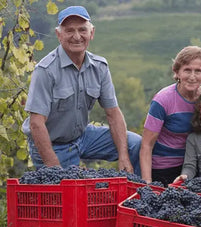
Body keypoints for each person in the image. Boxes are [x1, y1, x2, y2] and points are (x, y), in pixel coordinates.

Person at [22, 6, 141, 174]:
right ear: (59, 35)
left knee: (135, 144)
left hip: (83, 137)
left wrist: (124, 155)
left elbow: (113, 113)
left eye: (82, 30)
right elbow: (36, 123)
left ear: (91, 33)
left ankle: (135, 195)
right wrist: (54, 168)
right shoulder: (45, 70)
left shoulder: (99, 67)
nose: (77, 36)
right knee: (67, 192)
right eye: (69, 30)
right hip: (53, 144)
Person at [140, 46, 201, 185]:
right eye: (187, 70)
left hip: (196, 166)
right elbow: (146, 145)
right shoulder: (163, 100)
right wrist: (147, 182)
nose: (192, 76)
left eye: (198, 71)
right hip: (165, 167)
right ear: (177, 72)